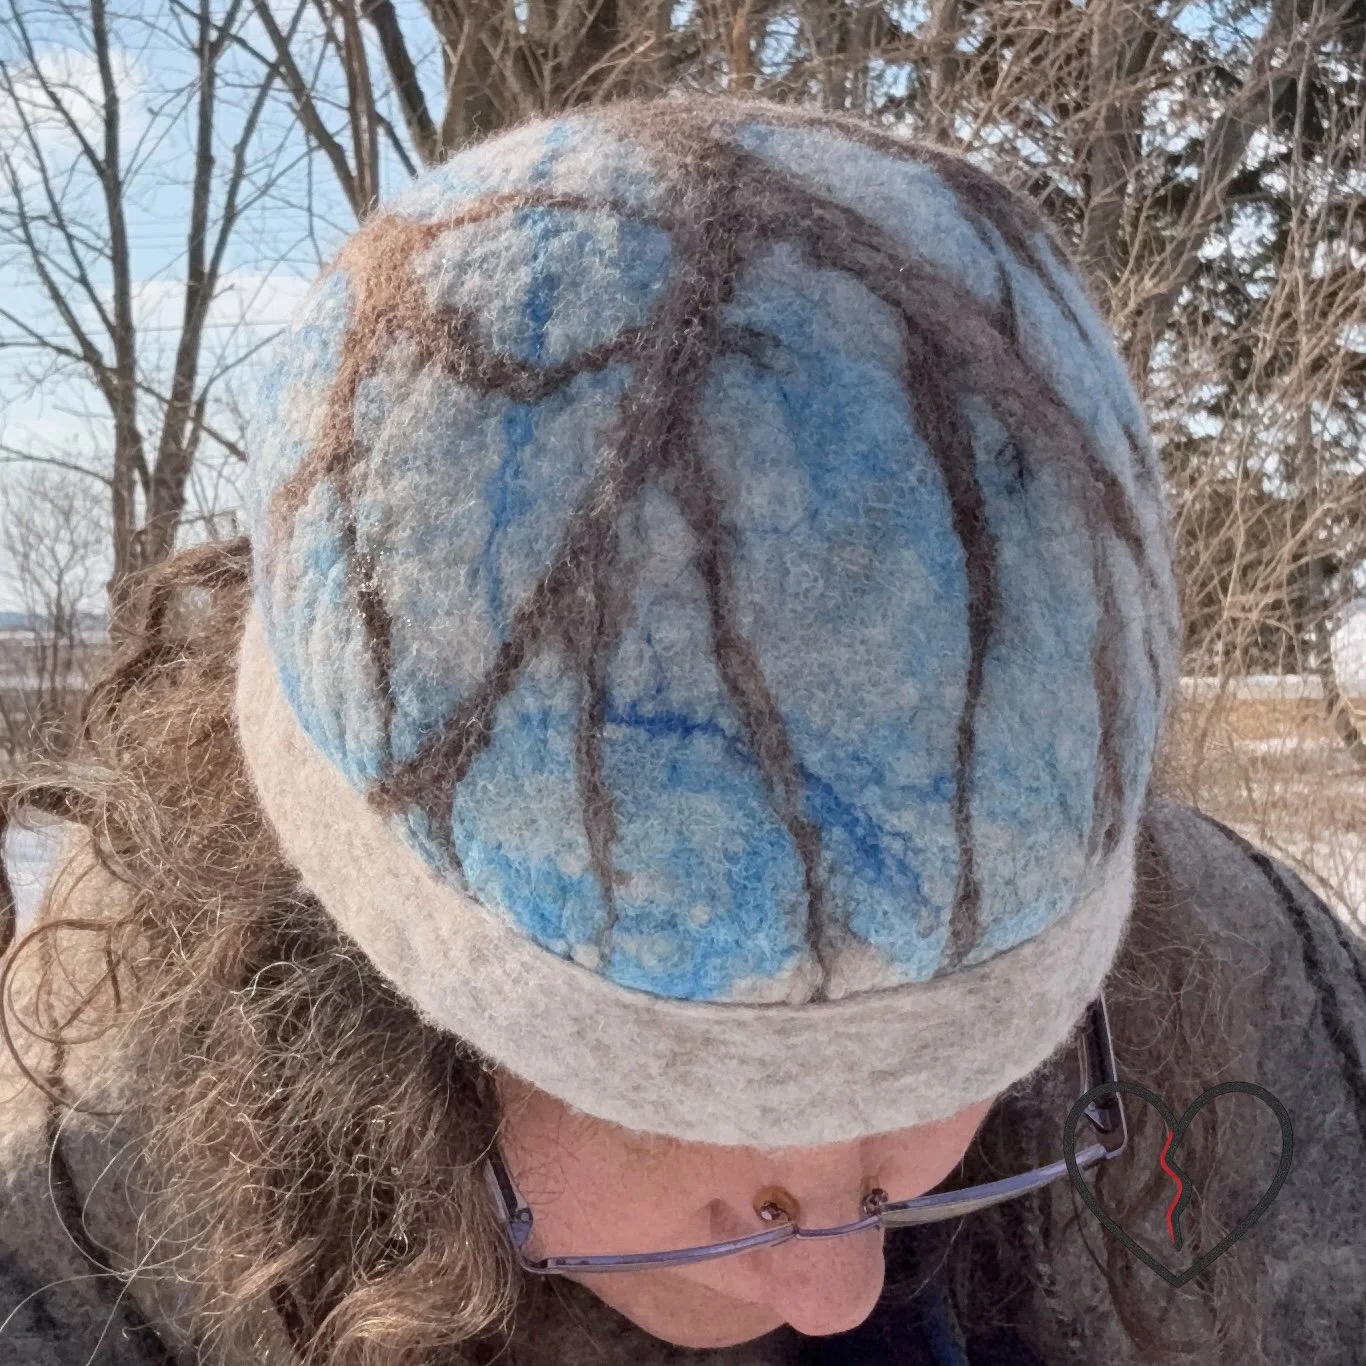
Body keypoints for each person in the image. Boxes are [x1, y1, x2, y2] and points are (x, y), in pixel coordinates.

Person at [1, 96, 1363, 1366]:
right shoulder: (99, 1220)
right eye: (725, 1149)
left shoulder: (1265, 1026)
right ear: (381, 1014)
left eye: (915, 1113)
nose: (839, 1292)